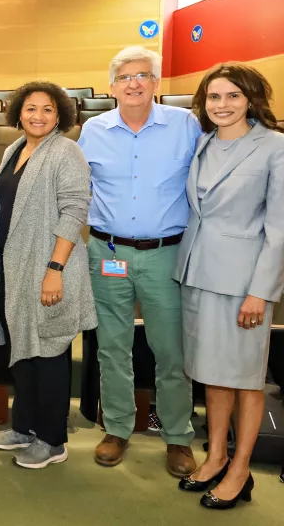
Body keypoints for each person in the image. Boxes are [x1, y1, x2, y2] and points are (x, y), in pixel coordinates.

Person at [77, 46, 202, 477]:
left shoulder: (185, 125)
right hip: (108, 253)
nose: (134, 83)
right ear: (112, 86)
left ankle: (178, 437)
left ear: (156, 83)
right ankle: (116, 428)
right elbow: (77, 190)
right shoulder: (93, 130)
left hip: (166, 253)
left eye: (143, 75)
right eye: (125, 76)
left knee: (171, 351)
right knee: (112, 349)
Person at [173, 63, 284, 509]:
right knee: (213, 374)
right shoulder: (202, 142)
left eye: (232, 96)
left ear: (251, 99)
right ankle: (216, 454)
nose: (222, 105)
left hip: (243, 284)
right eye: (214, 97)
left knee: (245, 381)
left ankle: (241, 469)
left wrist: (261, 291)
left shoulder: (274, 147)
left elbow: (279, 230)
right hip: (197, 274)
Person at [0, 81, 96, 469]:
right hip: (16, 268)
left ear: (60, 113)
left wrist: (54, 269)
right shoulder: (17, 149)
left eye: (47, 109)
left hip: (48, 267)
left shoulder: (67, 151)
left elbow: (74, 210)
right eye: (31, 108)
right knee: (23, 350)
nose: (38, 116)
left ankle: (52, 440)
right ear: (18, 113)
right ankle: (25, 427)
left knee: (48, 351)